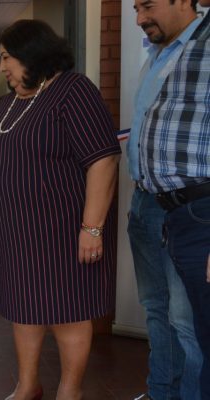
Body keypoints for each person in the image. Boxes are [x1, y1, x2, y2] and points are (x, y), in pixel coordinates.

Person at [0, 19, 120, 400]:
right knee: (24, 309)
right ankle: (28, 385)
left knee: (68, 312)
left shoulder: (73, 91)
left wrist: (92, 227)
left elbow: (104, 160)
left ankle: (70, 391)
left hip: (63, 228)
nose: (3, 68)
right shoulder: (10, 102)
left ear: (32, 52)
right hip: (17, 231)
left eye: (6, 58)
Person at [131, 0, 210, 397]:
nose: (141, 18)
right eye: (135, 8)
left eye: (148, 5)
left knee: (188, 323)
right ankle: (161, 390)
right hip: (146, 203)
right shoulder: (156, 56)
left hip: (193, 210)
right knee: (156, 311)